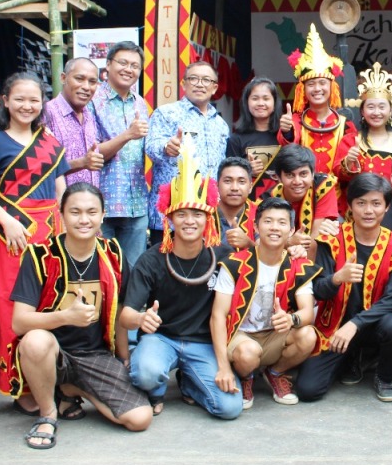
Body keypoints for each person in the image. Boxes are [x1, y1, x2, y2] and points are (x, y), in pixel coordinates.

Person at [11, 183, 152, 449]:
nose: (84, 219)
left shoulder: (113, 254)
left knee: (139, 418)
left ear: (102, 215)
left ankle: (72, 388)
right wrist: (65, 317)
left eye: (91, 212)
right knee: (35, 341)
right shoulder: (39, 255)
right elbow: (20, 322)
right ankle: (48, 413)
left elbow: (121, 310)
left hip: (94, 355)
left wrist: (124, 357)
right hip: (51, 352)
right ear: (61, 213)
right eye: (75, 212)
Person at [123, 141, 242, 420]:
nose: (190, 221)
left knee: (229, 408)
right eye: (182, 214)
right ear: (170, 219)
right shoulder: (151, 260)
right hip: (161, 338)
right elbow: (126, 314)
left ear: (208, 219)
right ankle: (156, 386)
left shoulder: (224, 256)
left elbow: (263, 262)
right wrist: (140, 321)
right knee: (145, 374)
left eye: (197, 214)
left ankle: (190, 382)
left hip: (204, 343)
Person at [0, 72, 68, 408]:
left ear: (42, 103)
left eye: (34, 100)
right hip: (11, 238)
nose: (27, 106)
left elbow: (61, 194)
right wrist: (7, 222)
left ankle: (48, 383)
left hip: (49, 234)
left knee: (49, 302)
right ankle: (18, 386)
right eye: (19, 99)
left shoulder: (51, 143)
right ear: (6, 101)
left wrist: (64, 230)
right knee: (12, 307)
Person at [296, 173, 392, 403]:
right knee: (308, 390)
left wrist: (355, 324)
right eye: (361, 203)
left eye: (376, 203)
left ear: (387, 207)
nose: (368, 210)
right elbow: (317, 290)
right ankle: (351, 358)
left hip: (374, 325)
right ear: (349, 206)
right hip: (335, 327)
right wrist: (337, 278)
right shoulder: (331, 240)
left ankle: (384, 376)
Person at [211, 197, 321, 409]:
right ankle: (245, 376)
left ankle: (276, 373)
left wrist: (291, 318)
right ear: (255, 226)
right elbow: (217, 315)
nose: (274, 228)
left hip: (274, 335)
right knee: (248, 353)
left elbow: (307, 311)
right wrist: (223, 367)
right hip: (241, 336)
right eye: (268, 221)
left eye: (282, 222)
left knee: (308, 335)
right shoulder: (235, 264)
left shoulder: (298, 265)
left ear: (291, 230)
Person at [145, 60, 230, 241]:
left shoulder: (221, 124)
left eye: (206, 80)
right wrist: (167, 147)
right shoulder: (166, 113)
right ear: (183, 84)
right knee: (166, 267)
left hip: (207, 212)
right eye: (193, 79)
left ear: (214, 87)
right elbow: (151, 146)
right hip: (171, 213)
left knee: (207, 267)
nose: (199, 84)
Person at [93, 41, 150, 268]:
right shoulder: (93, 101)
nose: (129, 69)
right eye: (123, 63)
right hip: (102, 202)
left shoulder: (141, 104)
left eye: (135, 66)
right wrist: (127, 135)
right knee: (102, 271)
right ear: (108, 65)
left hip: (136, 202)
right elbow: (92, 153)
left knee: (134, 272)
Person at [278, 25, 355, 175]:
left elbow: (346, 173)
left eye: (322, 83)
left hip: (336, 196)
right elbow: (289, 151)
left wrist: (349, 162)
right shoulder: (296, 122)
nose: (317, 89)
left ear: (332, 87)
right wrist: (287, 132)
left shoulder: (346, 125)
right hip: (301, 194)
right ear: (302, 90)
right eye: (311, 84)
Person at [335, 62, 392, 191]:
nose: (376, 112)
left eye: (382, 107)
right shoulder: (350, 141)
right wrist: (348, 161)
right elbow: (338, 175)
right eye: (370, 107)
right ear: (362, 111)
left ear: (390, 110)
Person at [267, 144, 340, 252]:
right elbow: (264, 242)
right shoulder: (270, 198)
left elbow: (315, 237)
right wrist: (288, 243)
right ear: (278, 177)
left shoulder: (323, 185)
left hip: (311, 251)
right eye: (290, 175)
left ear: (312, 174)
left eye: (303, 174)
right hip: (283, 253)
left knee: (326, 234)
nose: (297, 181)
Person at [43, 57, 103, 187]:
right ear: (63, 78)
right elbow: (40, 169)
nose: (86, 87)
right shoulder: (47, 114)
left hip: (90, 202)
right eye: (79, 79)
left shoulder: (90, 115)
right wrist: (81, 163)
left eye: (92, 81)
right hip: (60, 204)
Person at [227, 76, 282, 201]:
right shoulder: (236, 139)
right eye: (255, 98)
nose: (260, 103)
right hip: (248, 203)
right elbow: (229, 175)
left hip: (281, 200)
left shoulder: (285, 136)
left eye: (266, 98)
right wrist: (247, 170)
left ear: (274, 103)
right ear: (247, 103)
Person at [214, 157, 258, 252]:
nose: (234, 188)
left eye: (241, 182)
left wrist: (248, 244)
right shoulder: (204, 214)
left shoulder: (260, 215)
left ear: (250, 187)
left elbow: (272, 257)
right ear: (217, 185)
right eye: (228, 181)